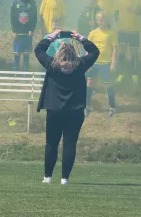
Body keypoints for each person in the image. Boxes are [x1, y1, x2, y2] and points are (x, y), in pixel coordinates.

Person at [35, 29, 99, 185]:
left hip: (54, 110)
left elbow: (39, 49)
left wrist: (52, 36)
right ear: (74, 53)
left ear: (59, 53)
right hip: (75, 112)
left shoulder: (51, 64)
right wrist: (81, 37)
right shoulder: (80, 65)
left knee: (51, 143)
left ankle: (47, 177)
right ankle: (64, 179)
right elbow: (95, 51)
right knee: (69, 144)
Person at [86, 12, 118, 117]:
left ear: (107, 21)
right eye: (100, 20)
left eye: (104, 20)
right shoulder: (92, 33)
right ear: (97, 21)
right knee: (90, 84)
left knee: (108, 85)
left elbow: (115, 49)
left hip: (106, 64)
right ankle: (86, 107)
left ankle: (112, 107)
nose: (103, 22)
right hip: (94, 63)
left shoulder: (111, 33)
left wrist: (113, 63)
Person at [114, 0, 141, 84]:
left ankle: (134, 74)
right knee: (121, 53)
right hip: (122, 30)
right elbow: (115, 14)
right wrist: (116, 20)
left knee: (134, 53)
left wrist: (134, 10)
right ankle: (121, 74)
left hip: (134, 30)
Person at [10, 0, 37, 71]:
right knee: (17, 53)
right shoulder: (15, 3)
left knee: (26, 54)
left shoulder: (32, 3)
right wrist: (14, 31)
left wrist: (32, 29)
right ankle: (15, 73)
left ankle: (25, 72)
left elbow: (34, 17)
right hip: (18, 33)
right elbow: (12, 17)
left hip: (27, 33)